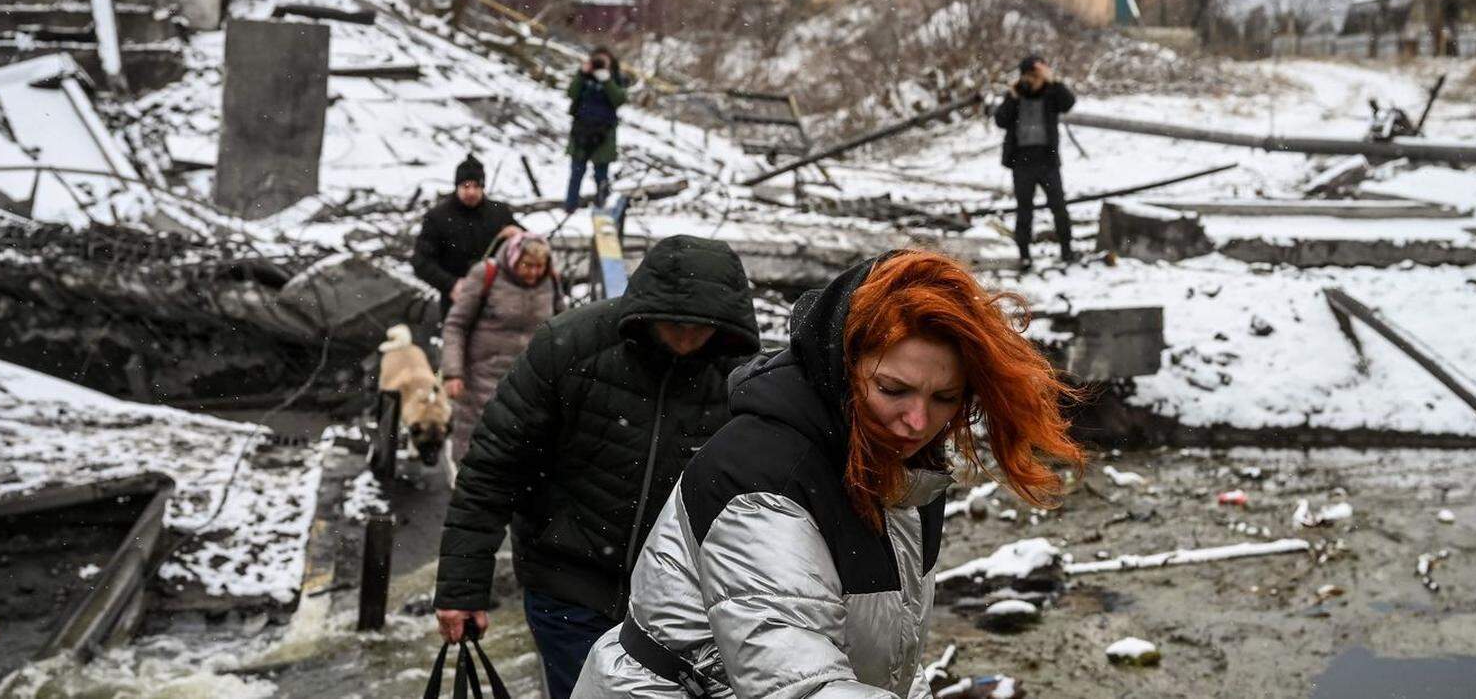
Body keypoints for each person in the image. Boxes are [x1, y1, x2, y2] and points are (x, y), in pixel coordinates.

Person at [576, 250, 1085, 698]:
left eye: (945, 399)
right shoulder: (764, 480)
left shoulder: (909, 472)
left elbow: (895, 660)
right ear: (843, 366)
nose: (918, 421)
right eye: (892, 389)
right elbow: (796, 685)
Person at [433, 235, 761, 698]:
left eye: (701, 327)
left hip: (677, 597)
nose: (687, 339)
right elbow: (492, 468)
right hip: (567, 585)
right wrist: (461, 589)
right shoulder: (569, 349)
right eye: (674, 323)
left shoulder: (739, 379)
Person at [439, 232, 566, 488]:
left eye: (539, 266)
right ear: (513, 258)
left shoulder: (550, 280)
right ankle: (468, 491)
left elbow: (563, 324)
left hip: (530, 377)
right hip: (482, 375)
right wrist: (453, 373)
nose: (533, 273)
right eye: (527, 265)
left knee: (524, 441)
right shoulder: (485, 275)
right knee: (477, 437)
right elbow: (456, 325)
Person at [994, 55, 1078, 269]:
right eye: (1029, 75)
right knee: (1024, 210)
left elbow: (1068, 103)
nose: (1033, 80)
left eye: (1036, 75)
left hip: (1047, 161)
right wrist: (1012, 97)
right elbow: (1000, 120)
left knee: (1059, 207)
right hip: (1022, 163)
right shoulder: (1016, 95)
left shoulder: (1052, 94)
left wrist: (1053, 80)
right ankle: (1024, 254)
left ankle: (1067, 250)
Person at [413, 154, 524, 315]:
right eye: (466, 186)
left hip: (497, 296)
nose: (471, 192)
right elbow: (421, 261)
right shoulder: (438, 217)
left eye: (476, 186)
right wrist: (451, 284)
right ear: (457, 186)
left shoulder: (499, 212)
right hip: (456, 300)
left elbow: (532, 246)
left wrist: (519, 235)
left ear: (483, 187)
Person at [563, 47, 628, 213]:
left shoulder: (616, 78)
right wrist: (582, 73)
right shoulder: (584, 77)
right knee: (576, 173)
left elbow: (619, 99)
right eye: (596, 60)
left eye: (602, 61)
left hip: (603, 134)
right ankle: (570, 206)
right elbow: (571, 93)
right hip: (581, 132)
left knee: (601, 175)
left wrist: (607, 80)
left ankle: (603, 206)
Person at [378, 324, 452, 468]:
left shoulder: (437, 406)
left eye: (437, 447)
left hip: (417, 372)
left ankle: (413, 448)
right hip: (395, 365)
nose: (433, 455)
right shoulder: (396, 395)